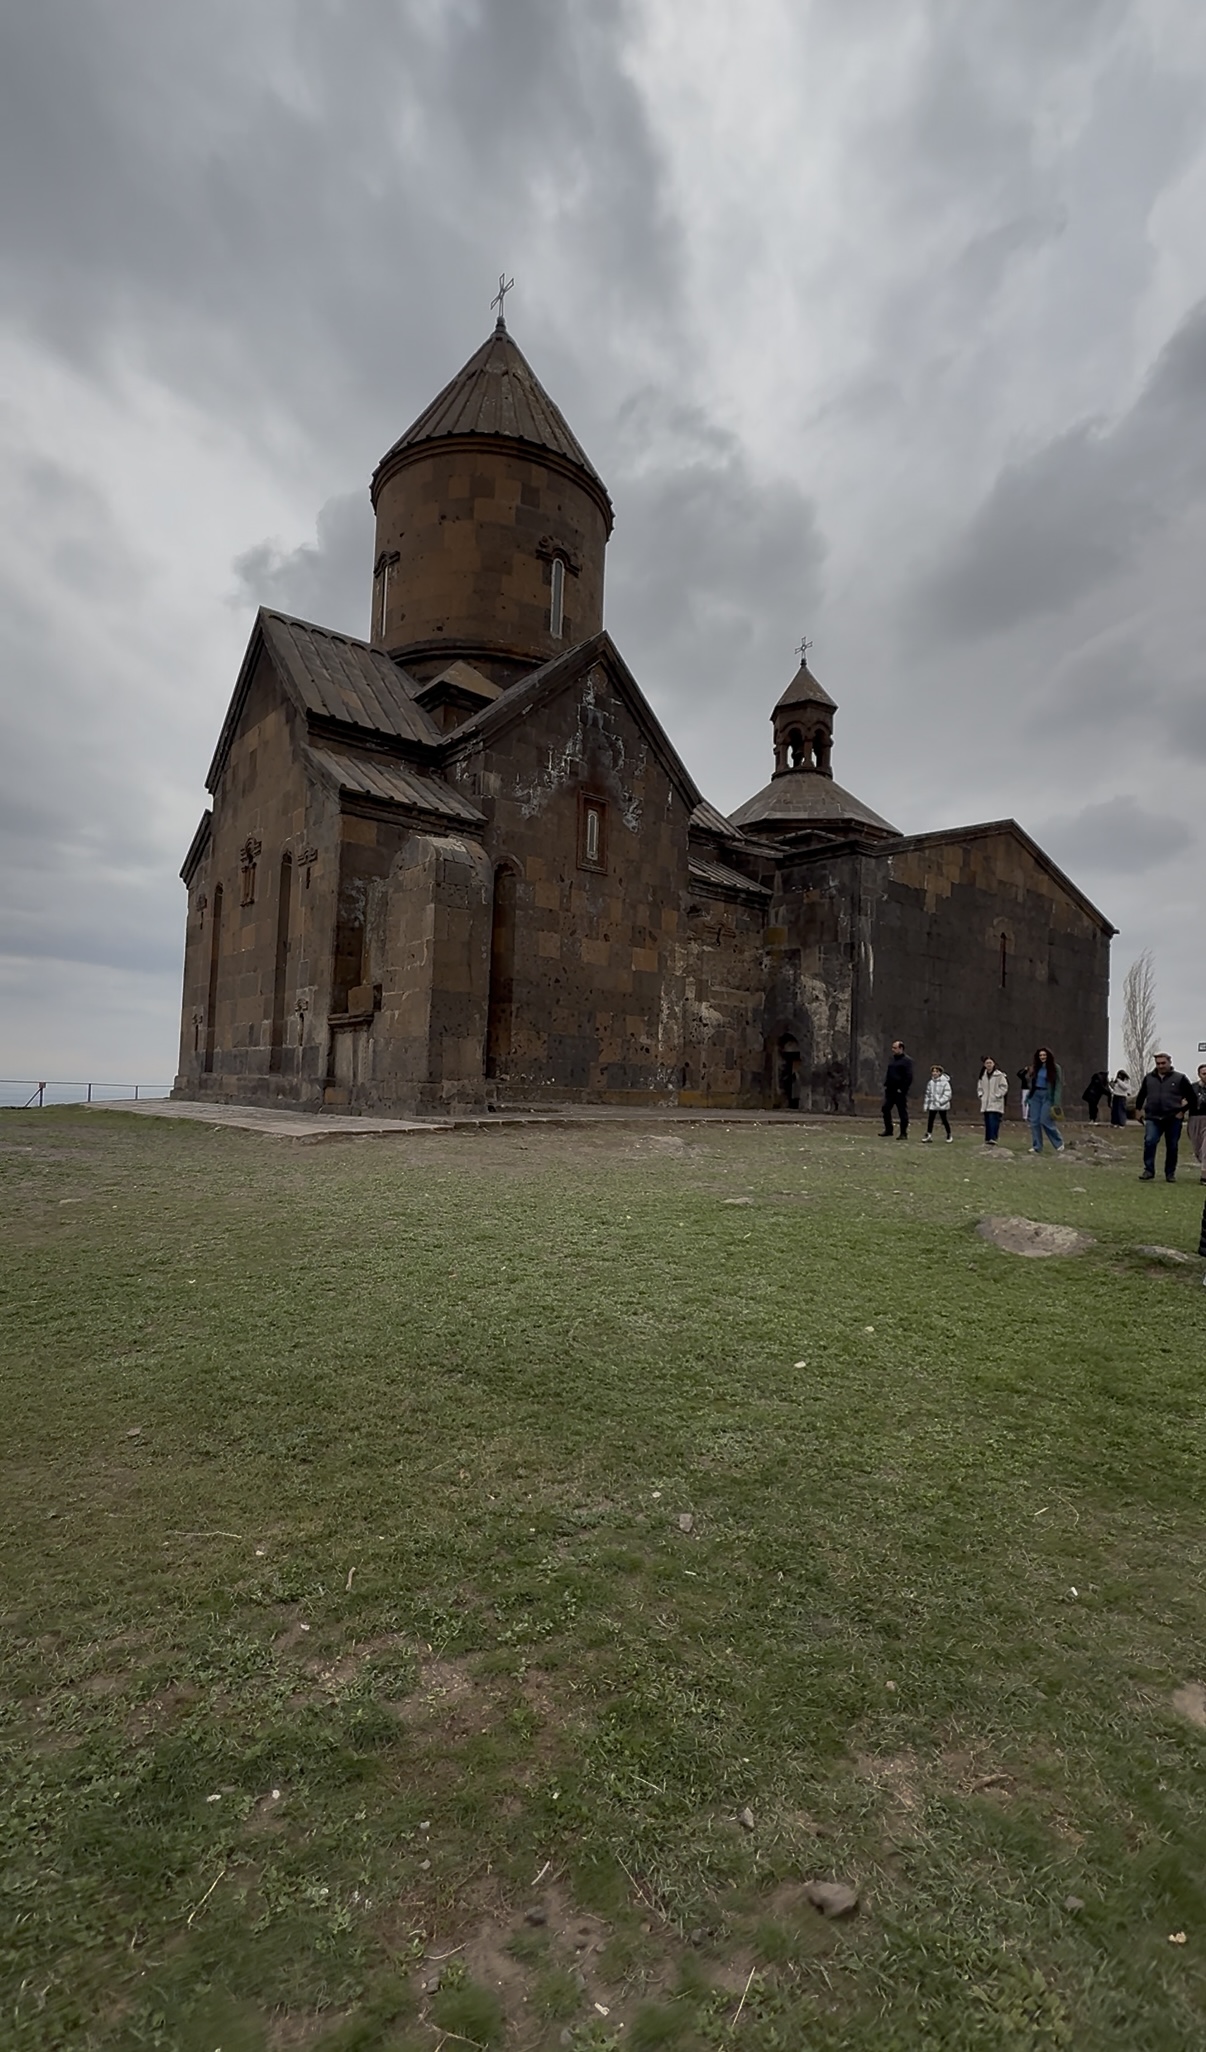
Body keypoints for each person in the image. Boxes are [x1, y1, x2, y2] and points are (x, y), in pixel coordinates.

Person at [1134, 1053, 1195, 1182]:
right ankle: (1148, 1170)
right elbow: (1141, 1095)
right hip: (1153, 1117)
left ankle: (1170, 1173)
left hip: (1172, 1117)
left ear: (1169, 1063)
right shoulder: (1149, 1078)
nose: (1161, 1066)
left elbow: (1192, 1098)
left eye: (1163, 1063)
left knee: (1172, 1145)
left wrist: (1183, 1111)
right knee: (1150, 1141)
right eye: (1158, 1063)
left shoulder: (1180, 1078)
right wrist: (1138, 1110)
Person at [1024, 1046, 1065, 1155]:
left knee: (1045, 1120)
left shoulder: (1056, 1068)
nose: (1042, 1057)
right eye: (1040, 1055)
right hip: (1035, 1095)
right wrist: (1028, 1098)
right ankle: (1037, 1146)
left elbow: (1058, 1086)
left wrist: (1056, 1102)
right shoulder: (1036, 1067)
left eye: (1044, 1055)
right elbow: (1031, 1084)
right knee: (1034, 1122)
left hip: (1048, 1096)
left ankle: (1059, 1143)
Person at [881, 1039, 913, 1139]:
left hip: (899, 1091)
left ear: (901, 1048)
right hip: (890, 1089)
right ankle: (889, 1130)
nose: (893, 1050)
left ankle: (903, 1133)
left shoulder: (907, 1061)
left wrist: (902, 1089)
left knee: (902, 1112)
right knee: (885, 1108)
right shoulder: (893, 1059)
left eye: (895, 1048)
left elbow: (908, 1077)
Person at [977, 1056, 1008, 1144]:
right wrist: (981, 1095)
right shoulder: (983, 1075)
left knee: (994, 1120)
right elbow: (979, 1087)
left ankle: (993, 1138)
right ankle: (987, 1138)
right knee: (987, 1121)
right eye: (987, 1063)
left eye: (990, 1063)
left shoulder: (999, 1075)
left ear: (994, 1064)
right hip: (986, 1102)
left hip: (996, 1102)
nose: (989, 1065)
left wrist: (997, 1095)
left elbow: (1004, 1086)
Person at [923, 1064, 953, 1142]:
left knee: (944, 1120)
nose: (934, 1073)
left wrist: (940, 1101)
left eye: (936, 1071)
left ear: (940, 1073)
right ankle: (928, 1135)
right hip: (932, 1105)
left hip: (942, 1105)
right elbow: (928, 1094)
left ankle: (949, 1135)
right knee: (930, 1120)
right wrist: (926, 1104)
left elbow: (948, 1094)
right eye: (933, 1072)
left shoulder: (945, 1083)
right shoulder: (930, 1082)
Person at [1188, 1064, 1206, 1185]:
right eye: (1204, 1074)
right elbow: (1184, 1102)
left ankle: (1204, 1175)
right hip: (1195, 1119)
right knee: (1198, 1149)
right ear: (1199, 1075)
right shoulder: (1193, 1088)